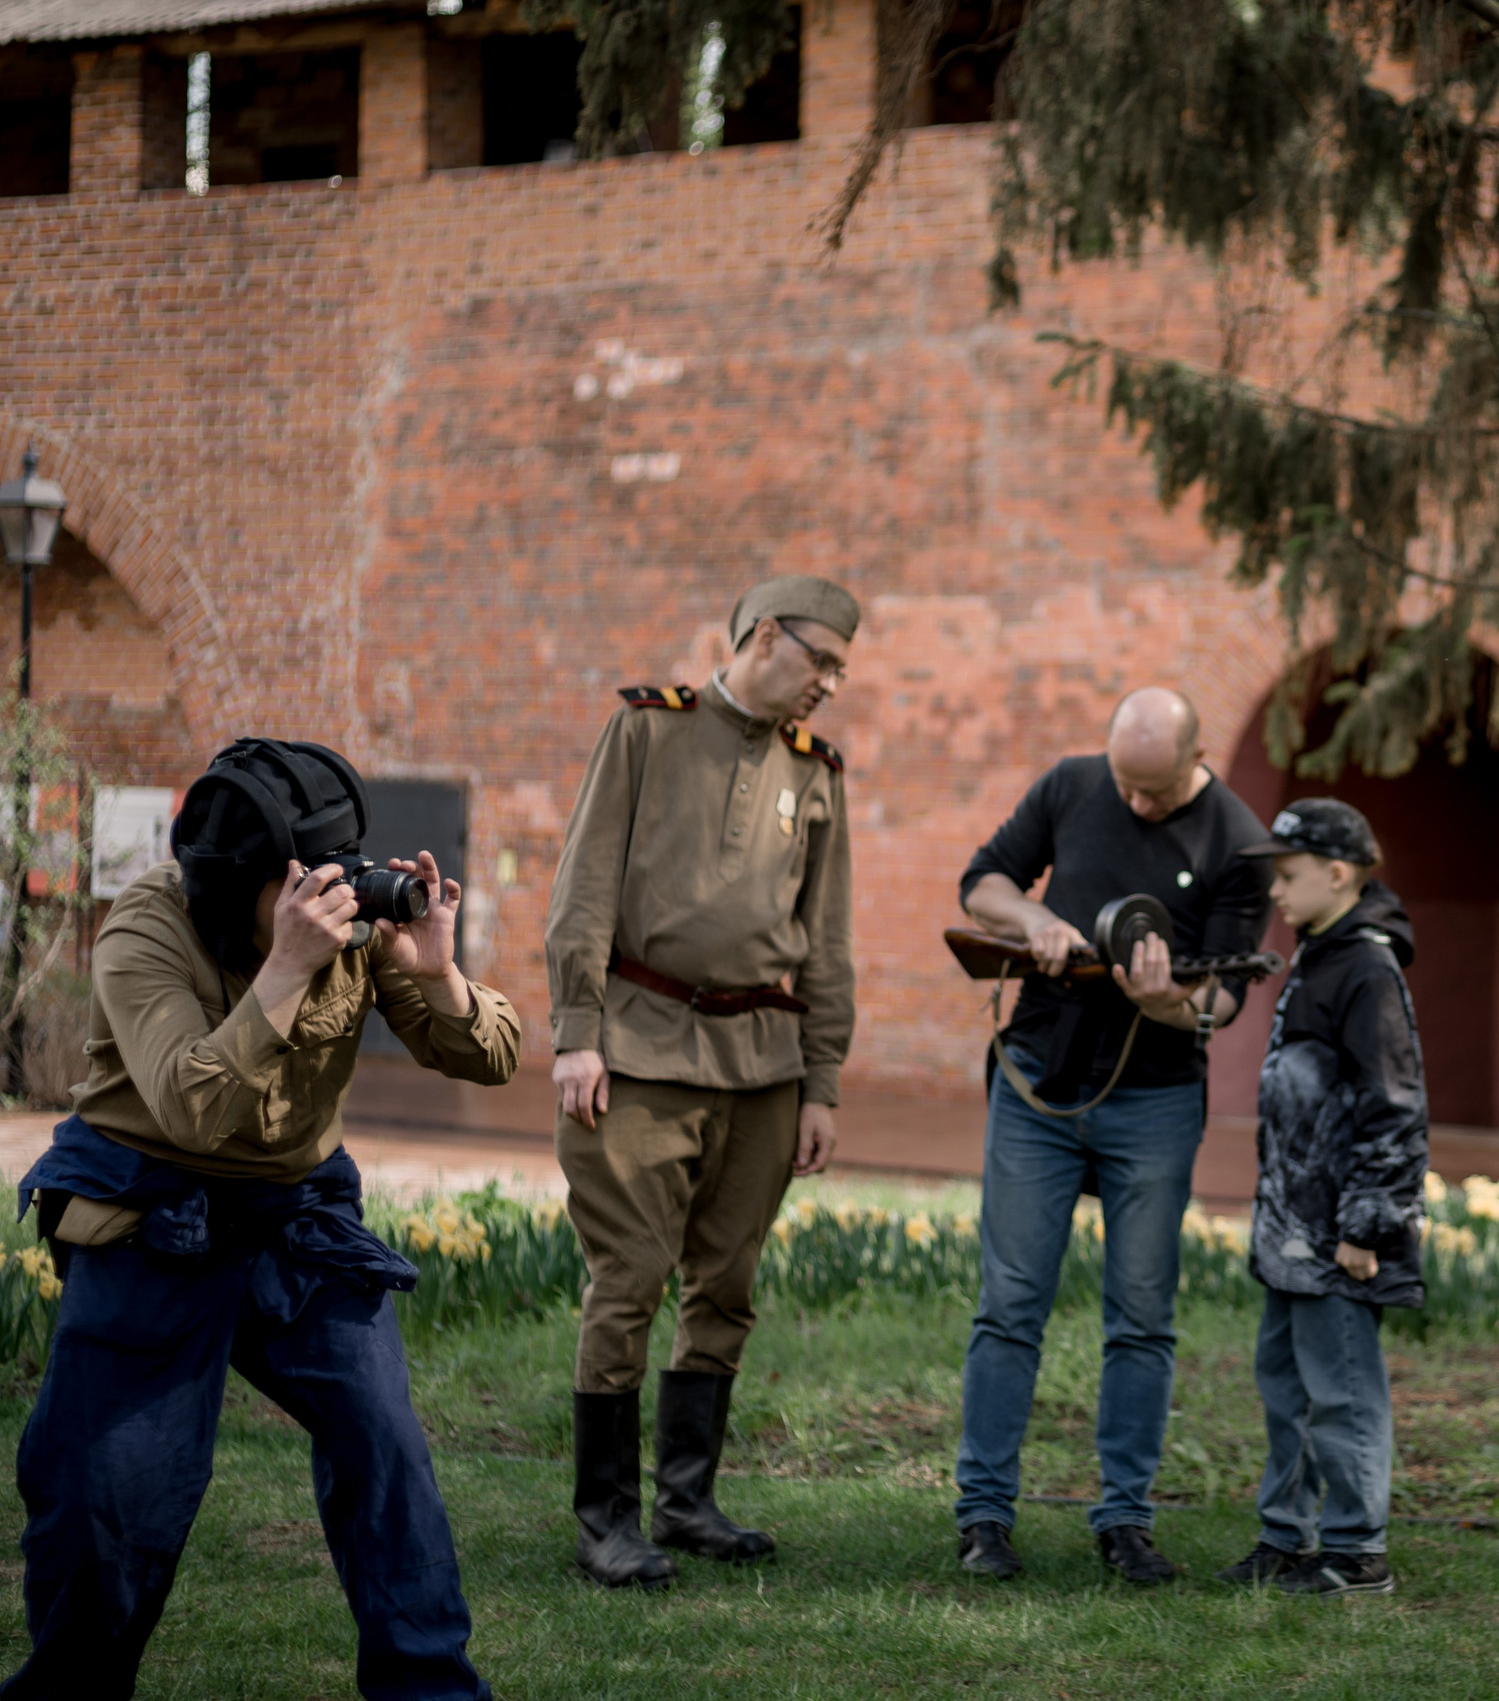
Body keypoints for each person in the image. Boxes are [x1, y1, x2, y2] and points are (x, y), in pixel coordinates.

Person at [5, 739, 519, 1700]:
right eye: (297, 890)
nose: (327, 902)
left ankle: (430, 1688)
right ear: (236, 886)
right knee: (105, 1498)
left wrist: (442, 977)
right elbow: (190, 1105)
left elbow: (490, 1058)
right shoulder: (146, 930)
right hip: (149, 1208)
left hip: (297, 1212)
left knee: (385, 1444)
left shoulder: (354, 919)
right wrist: (286, 969)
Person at [545, 575, 859, 1588]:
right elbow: (585, 884)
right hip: (635, 1051)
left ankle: (686, 1504)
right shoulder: (647, 731)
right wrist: (575, 1032)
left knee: (725, 1287)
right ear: (766, 635)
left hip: (763, 1067)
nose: (830, 685)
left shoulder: (817, 773)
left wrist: (822, 1082)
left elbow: (828, 939)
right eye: (822, 661)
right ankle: (606, 1521)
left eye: (840, 669)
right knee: (629, 1278)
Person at [951, 687, 1271, 1584]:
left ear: (1196, 758)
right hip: (1038, 1083)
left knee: (1141, 1317)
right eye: (1124, 786)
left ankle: (1125, 1519)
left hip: (1155, 1100)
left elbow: (1226, 997)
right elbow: (983, 884)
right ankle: (983, 1515)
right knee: (1009, 1303)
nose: (1133, 805)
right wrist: (1036, 921)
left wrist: (1167, 999)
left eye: (1154, 792)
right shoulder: (1071, 783)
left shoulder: (1238, 841)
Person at [1215, 798, 1426, 1598]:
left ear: (1338, 874)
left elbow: (1395, 1105)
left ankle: (1356, 1551)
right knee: (1288, 1389)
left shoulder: (1367, 967)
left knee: (1341, 1388)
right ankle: (1286, 1537)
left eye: (1288, 874)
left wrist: (1365, 1226)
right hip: (1293, 1236)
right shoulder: (1319, 953)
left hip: (1338, 1238)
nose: (1275, 890)